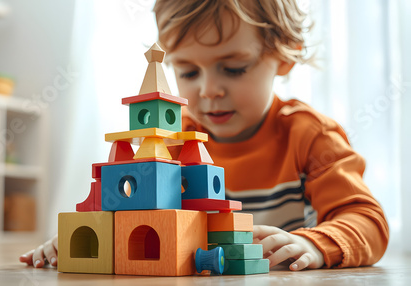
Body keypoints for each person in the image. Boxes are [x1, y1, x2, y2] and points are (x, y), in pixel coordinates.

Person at [20, 0, 389, 271]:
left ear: (284, 56)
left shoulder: (309, 135)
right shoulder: (170, 140)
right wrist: (83, 241)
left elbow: (366, 219)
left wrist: (314, 243)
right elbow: (128, 211)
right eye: (189, 72)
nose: (209, 90)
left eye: (233, 68)